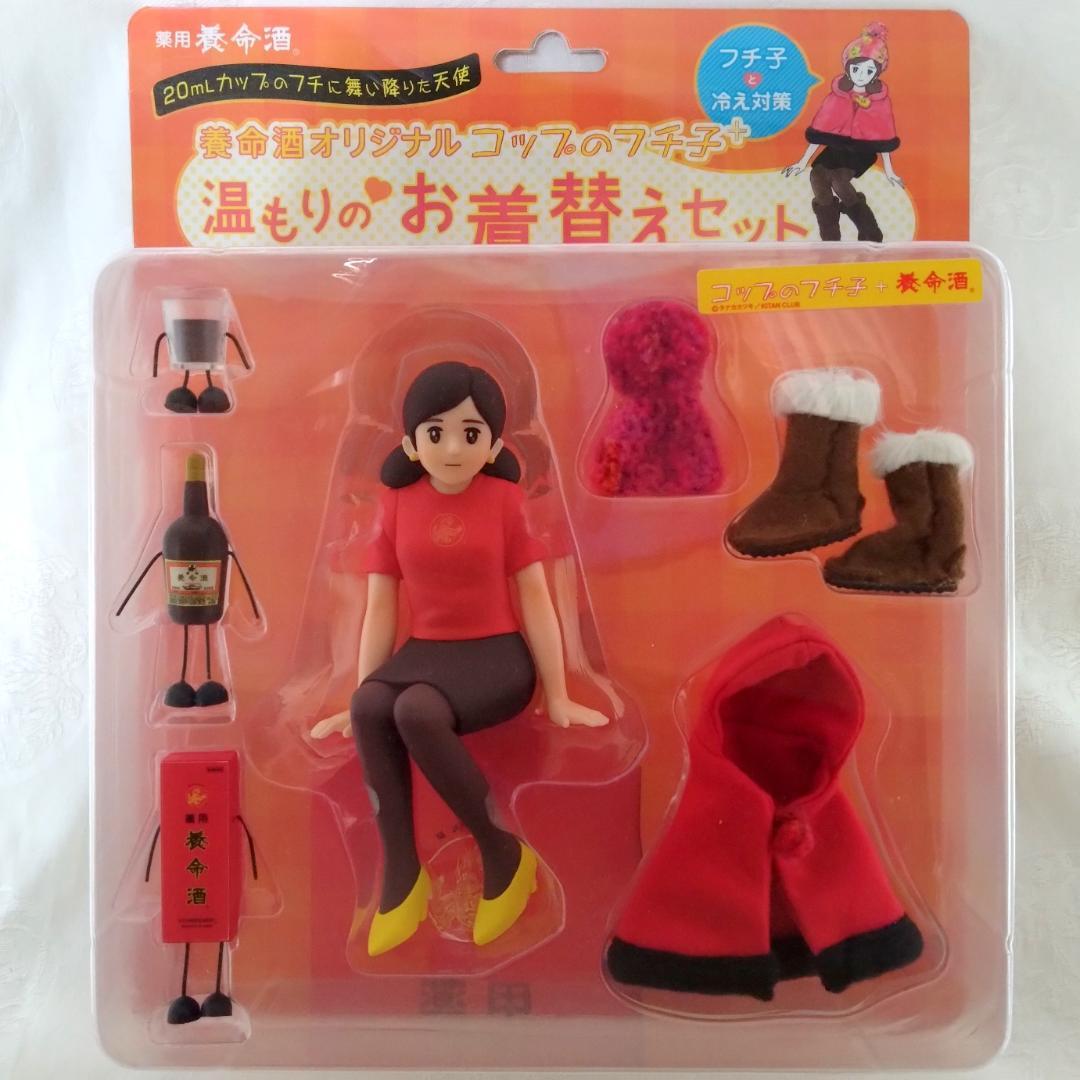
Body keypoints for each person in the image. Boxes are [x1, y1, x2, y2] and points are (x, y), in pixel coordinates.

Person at [312, 361, 608, 956]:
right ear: (411, 443)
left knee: (417, 711)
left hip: (496, 656)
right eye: (436, 432)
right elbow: (380, 609)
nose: (453, 449)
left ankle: (504, 854)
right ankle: (402, 877)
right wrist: (357, 692)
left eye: (471, 434)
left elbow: (536, 597)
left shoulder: (503, 500)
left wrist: (556, 695)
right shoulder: (397, 505)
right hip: (424, 652)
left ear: (493, 444)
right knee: (372, 706)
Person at [782, 22, 903, 242]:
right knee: (817, 176)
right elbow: (821, 130)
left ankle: (870, 232)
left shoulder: (879, 99)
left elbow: (884, 135)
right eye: (856, 69)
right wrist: (802, 162)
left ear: (877, 72)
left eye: (869, 70)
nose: (861, 75)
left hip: (862, 150)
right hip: (836, 147)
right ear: (847, 67)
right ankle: (830, 238)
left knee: (839, 180)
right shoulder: (837, 95)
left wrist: (889, 170)